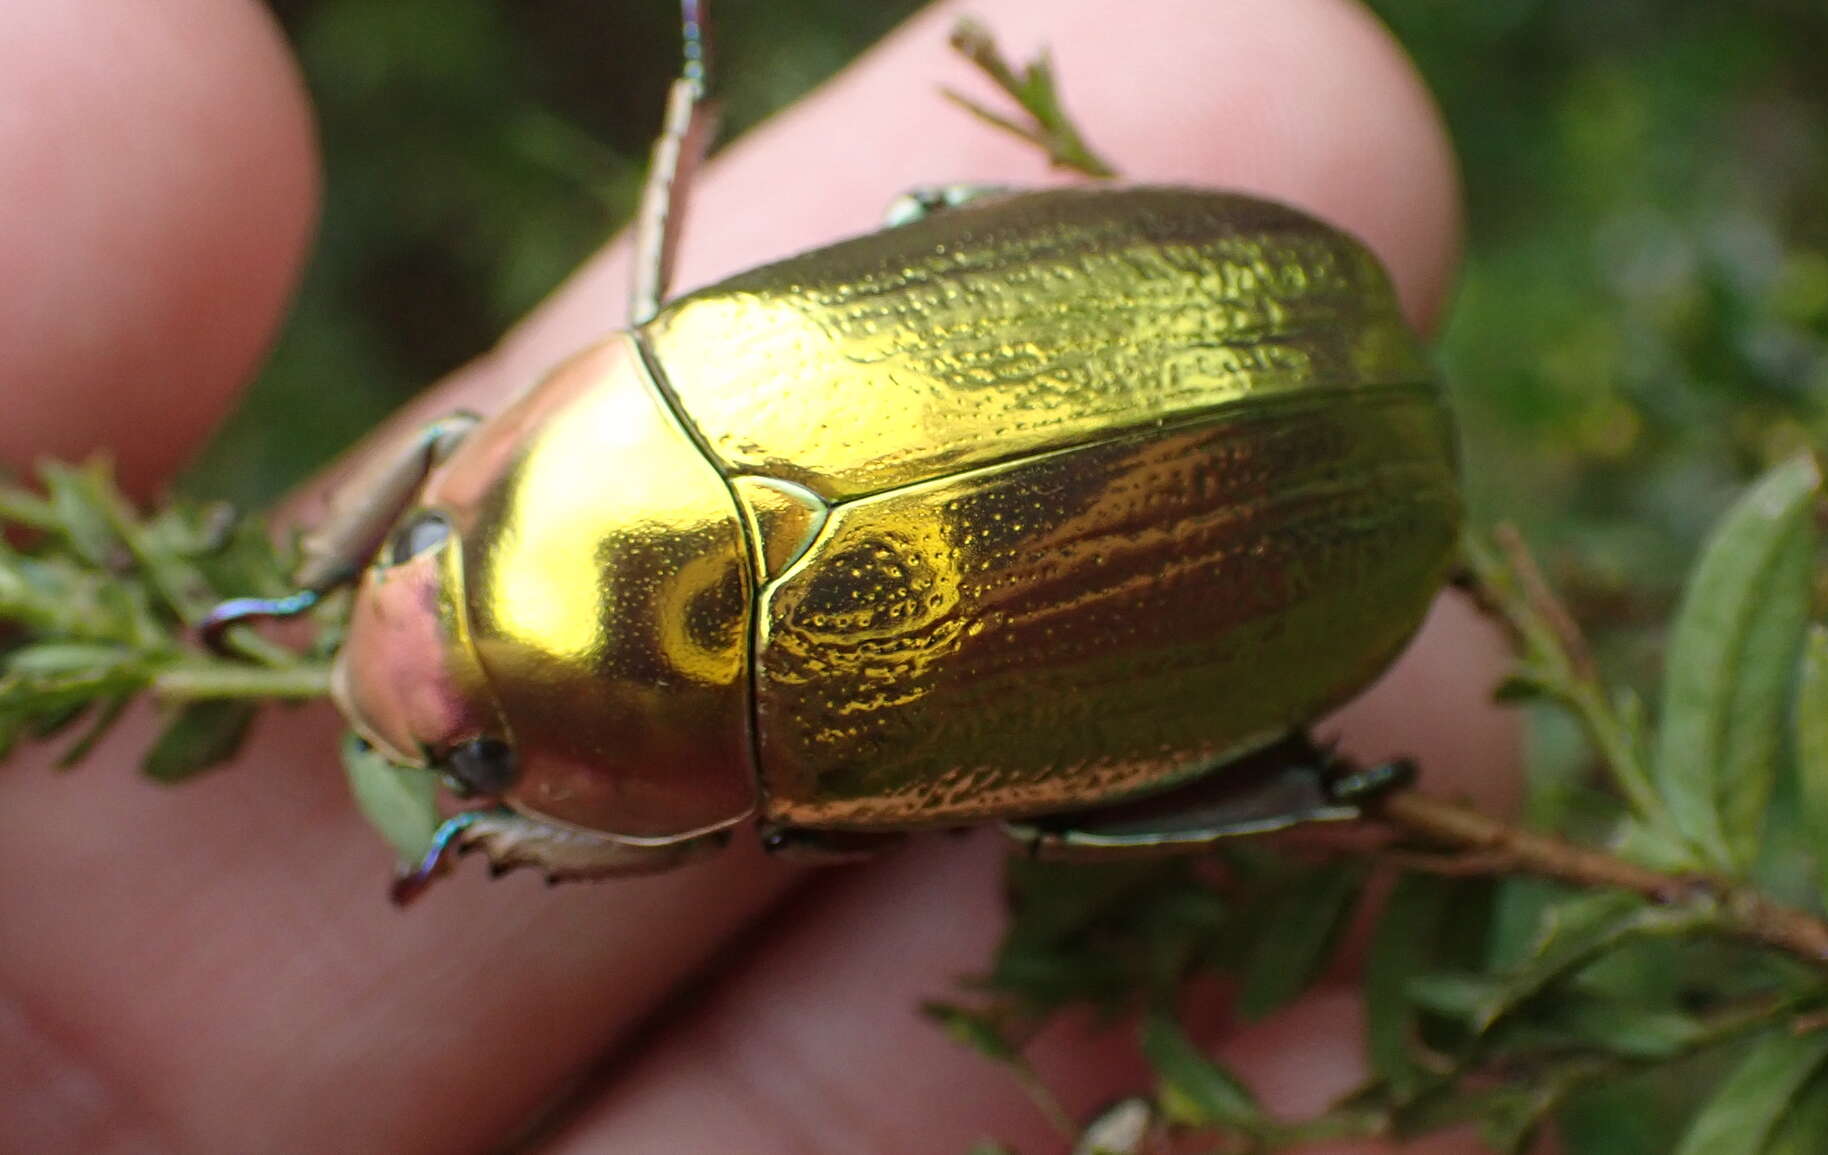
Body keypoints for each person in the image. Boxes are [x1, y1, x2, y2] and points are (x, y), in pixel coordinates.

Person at [0, 0, 1516, 1150]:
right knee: (934, 234)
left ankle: (1322, 790)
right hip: (1302, 483)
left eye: (411, 555)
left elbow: (676, 836)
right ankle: (1320, 789)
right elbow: (495, 446)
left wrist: (488, 824)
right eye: (478, 744)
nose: (409, 599)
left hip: (1265, 386)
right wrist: (687, 110)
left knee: (1058, 808)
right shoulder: (665, 381)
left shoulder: (773, 751)